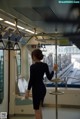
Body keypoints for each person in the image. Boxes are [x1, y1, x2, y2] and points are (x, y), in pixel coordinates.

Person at [25, 49, 54, 119]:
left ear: (34, 56)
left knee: (36, 110)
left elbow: (31, 80)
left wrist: (27, 91)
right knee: (39, 108)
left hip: (36, 89)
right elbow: (49, 77)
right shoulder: (45, 65)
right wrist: (54, 70)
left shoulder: (32, 67)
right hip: (42, 89)